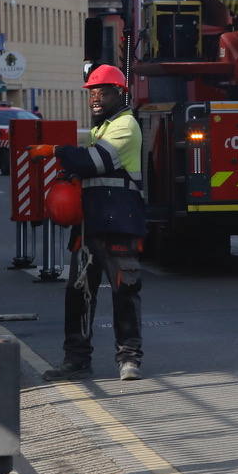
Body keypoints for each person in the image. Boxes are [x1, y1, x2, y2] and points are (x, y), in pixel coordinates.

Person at [39, 65, 149, 382]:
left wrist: (57, 151)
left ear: (120, 93)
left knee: (124, 290)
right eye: (92, 92)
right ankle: (76, 360)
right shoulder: (104, 127)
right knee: (79, 293)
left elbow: (94, 162)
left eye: (103, 91)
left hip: (118, 223)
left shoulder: (125, 125)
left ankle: (129, 359)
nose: (96, 98)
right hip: (92, 225)